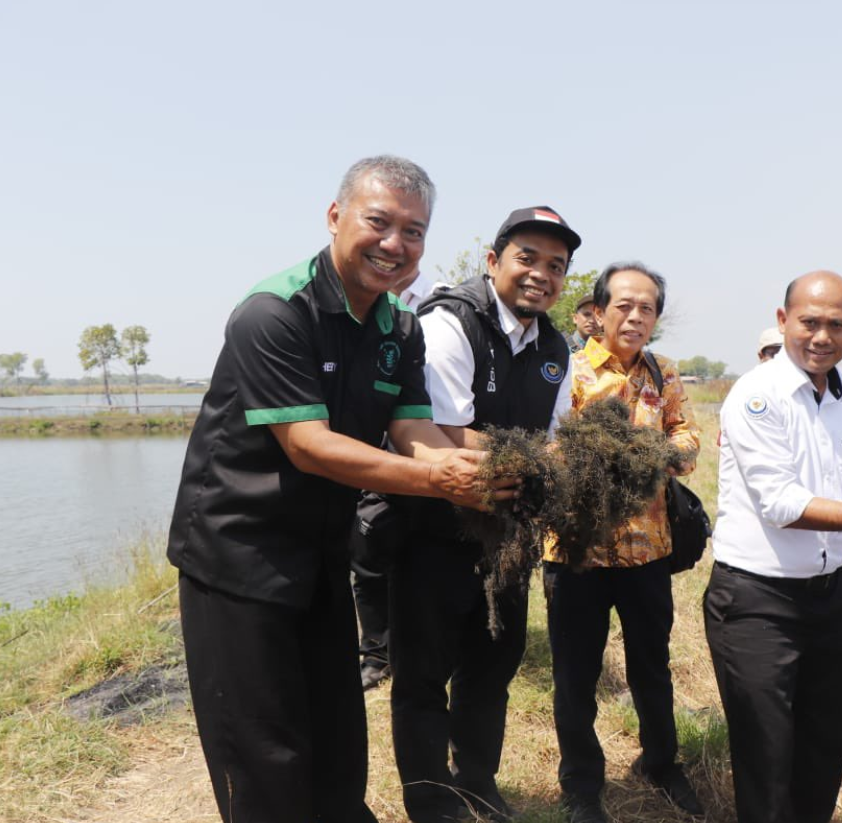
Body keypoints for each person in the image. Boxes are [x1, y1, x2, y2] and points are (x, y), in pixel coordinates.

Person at [167, 156, 512, 823]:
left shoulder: (400, 328)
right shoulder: (273, 313)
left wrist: (480, 471)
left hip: (321, 553)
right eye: (378, 222)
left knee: (335, 739)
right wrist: (436, 478)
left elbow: (411, 425)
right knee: (264, 752)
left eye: (413, 232)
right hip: (237, 557)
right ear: (335, 217)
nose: (394, 244)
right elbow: (309, 444)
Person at [704, 271, 842, 823]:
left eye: (836, 325)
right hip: (756, 604)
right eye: (809, 322)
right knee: (767, 757)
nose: (821, 336)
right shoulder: (756, 395)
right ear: (784, 321)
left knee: (823, 751)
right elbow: (781, 503)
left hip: (826, 600)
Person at [388, 205, 580, 823]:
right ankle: (430, 800)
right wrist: (534, 456)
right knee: (423, 676)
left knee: (493, 664)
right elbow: (445, 429)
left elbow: (558, 436)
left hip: (509, 535)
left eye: (556, 266)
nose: (541, 276)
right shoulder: (451, 322)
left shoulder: (555, 345)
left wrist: (544, 462)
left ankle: (477, 781)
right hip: (434, 530)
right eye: (527, 258)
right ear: (494, 261)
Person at [543, 263, 704, 823]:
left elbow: (686, 434)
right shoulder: (566, 370)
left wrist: (661, 452)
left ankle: (661, 763)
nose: (636, 317)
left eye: (648, 309)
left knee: (651, 667)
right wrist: (593, 459)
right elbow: (549, 445)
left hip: (647, 552)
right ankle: (581, 786)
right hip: (576, 552)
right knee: (576, 673)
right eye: (624, 306)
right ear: (600, 310)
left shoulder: (663, 373)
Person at [352, 273, 439, 693]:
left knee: (422, 560)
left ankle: (420, 650)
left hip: (426, 447)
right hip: (374, 454)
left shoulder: (437, 305)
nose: (396, 248)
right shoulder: (352, 301)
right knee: (367, 554)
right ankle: (376, 653)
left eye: (412, 232)